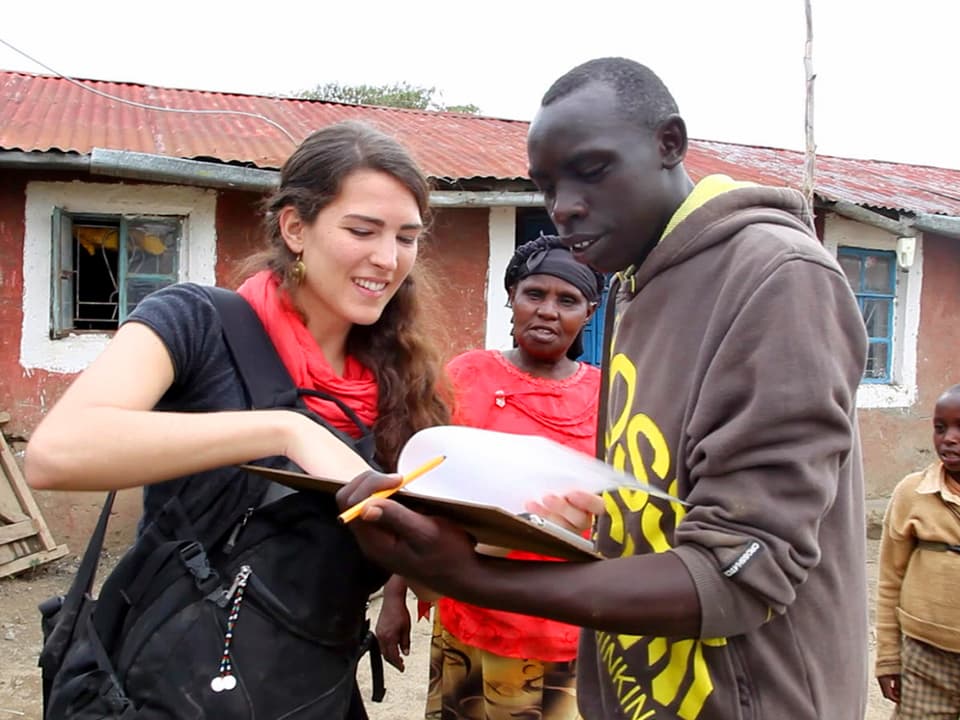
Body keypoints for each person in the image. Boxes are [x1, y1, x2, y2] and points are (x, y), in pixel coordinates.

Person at [335, 57, 870, 720]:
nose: (563, 207)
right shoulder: (634, 286)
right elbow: (651, 505)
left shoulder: (776, 277)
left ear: (669, 144)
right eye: (546, 185)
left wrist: (471, 577)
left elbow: (738, 572)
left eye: (589, 171)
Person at [25, 120, 450, 719]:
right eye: (362, 230)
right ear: (295, 227)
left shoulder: (406, 388)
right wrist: (285, 429)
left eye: (407, 237)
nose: (387, 258)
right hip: (174, 688)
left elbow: (425, 571)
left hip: (315, 694)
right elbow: (56, 453)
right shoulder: (196, 323)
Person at [376, 235, 604, 720]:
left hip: (569, 620)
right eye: (534, 294)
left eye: (567, 300)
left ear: (589, 312)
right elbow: (423, 493)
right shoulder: (466, 376)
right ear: (511, 299)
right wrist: (394, 595)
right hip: (473, 611)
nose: (547, 311)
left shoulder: (608, 396)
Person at [875, 384, 960, 718]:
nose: (949, 438)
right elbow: (889, 580)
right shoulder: (912, 493)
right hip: (924, 660)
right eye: (940, 428)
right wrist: (887, 657)